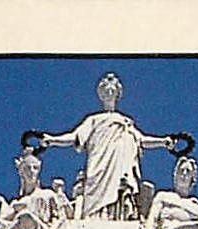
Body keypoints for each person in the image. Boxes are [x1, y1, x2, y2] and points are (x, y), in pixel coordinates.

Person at [40, 72, 176, 220]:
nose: (109, 94)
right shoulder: (93, 120)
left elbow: (141, 140)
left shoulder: (125, 122)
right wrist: (52, 140)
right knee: (94, 197)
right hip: (99, 165)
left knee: (121, 191)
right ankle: (94, 219)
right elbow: (74, 137)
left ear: (117, 95)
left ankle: (119, 218)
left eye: (112, 91)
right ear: (101, 96)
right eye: (106, 91)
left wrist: (163, 142)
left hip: (119, 165)